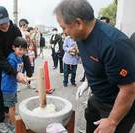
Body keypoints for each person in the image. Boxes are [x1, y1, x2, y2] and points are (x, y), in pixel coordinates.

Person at [54, 0, 135, 133]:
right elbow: (93, 62)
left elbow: (129, 89)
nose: (64, 32)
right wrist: (87, 82)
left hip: (116, 106)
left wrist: (112, 121)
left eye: (64, 27)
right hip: (97, 99)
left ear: (79, 23)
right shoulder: (80, 37)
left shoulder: (113, 44)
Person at [0, 6, 27, 132]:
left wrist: (23, 69)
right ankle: (0, 120)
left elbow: (20, 49)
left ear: (8, 18)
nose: (4, 25)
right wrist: (15, 73)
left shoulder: (15, 29)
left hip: (11, 62)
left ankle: (7, 114)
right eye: (0, 24)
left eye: (5, 22)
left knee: (10, 89)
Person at [1, 37, 27, 131]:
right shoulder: (12, 59)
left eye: (24, 50)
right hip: (8, 87)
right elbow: (12, 74)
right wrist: (21, 79)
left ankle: (11, 122)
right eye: (20, 49)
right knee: (11, 108)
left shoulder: (19, 58)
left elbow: (19, 73)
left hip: (13, 86)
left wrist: (23, 78)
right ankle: (15, 127)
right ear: (13, 47)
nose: (22, 52)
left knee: (12, 106)